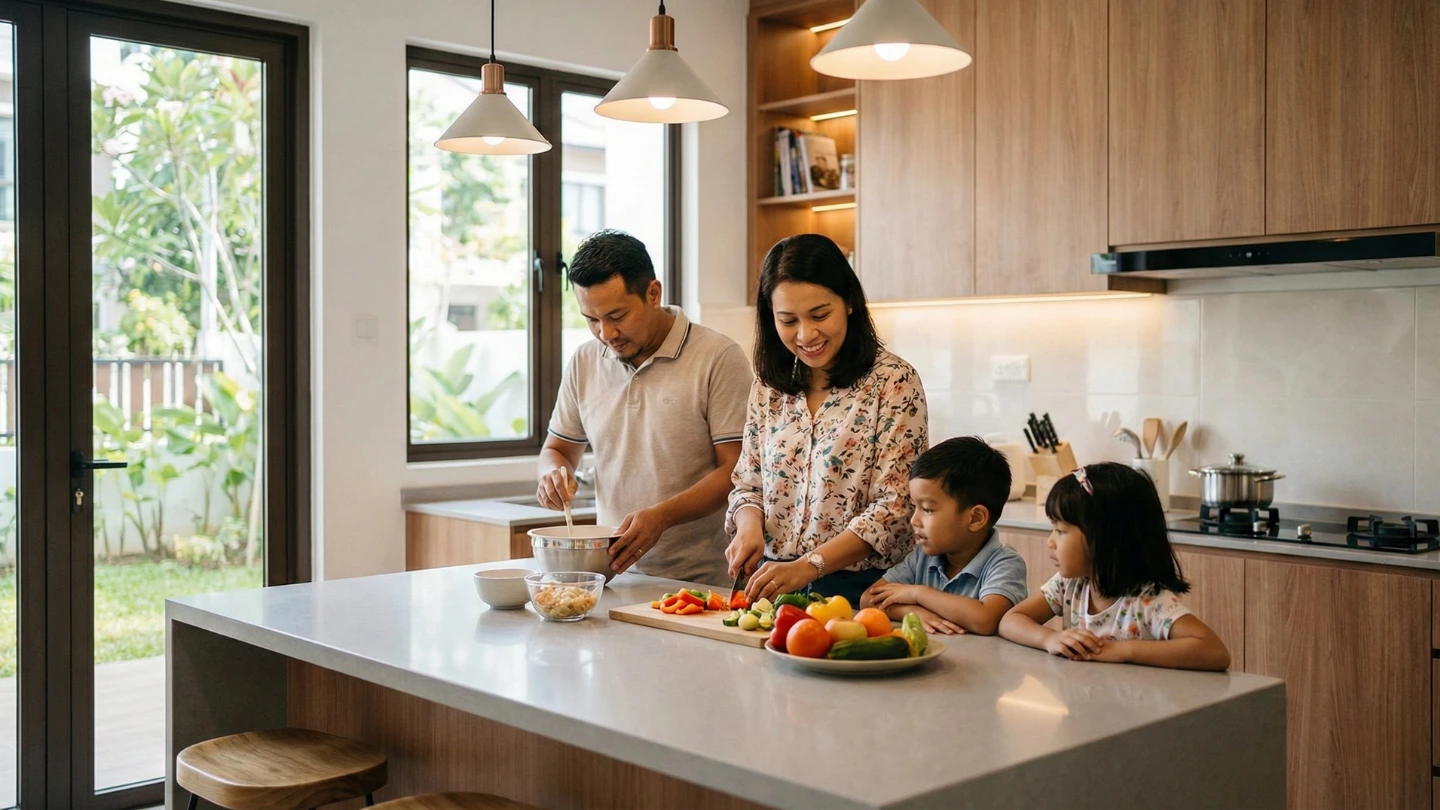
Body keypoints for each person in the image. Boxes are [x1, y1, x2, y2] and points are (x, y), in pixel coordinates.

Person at [537, 230, 752, 585]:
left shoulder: (718, 357)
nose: (606, 333)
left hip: (701, 581)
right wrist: (552, 474)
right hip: (609, 577)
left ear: (653, 293)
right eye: (591, 319)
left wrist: (662, 517)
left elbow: (736, 471)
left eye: (617, 315)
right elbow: (558, 449)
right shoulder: (585, 361)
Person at [724, 233, 928, 606]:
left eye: (820, 315)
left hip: (863, 591)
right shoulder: (769, 387)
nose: (806, 334)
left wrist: (810, 565)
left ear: (848, 302)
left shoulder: (894, 382)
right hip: (772, 584)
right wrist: (748, 526)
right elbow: (748, 483)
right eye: (788, 320)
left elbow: (896, 506)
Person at [999, 463, 1232, 671]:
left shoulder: (1147, 602)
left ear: (1105, 538)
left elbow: (1214, 652)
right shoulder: (1068, 585)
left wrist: (1121, 651)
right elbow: (1010, 620)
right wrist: (1049, 639)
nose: (1050, 541)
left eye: (1061, 531)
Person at [860, 437, 1028, 636]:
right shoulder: (922, 557)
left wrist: (918, 594)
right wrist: (914, 612)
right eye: (915, 507)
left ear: (975, 518)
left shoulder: (1005, 563)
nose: (914, 520)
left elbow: (986, 619)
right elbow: (869, 599)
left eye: (928, 510)